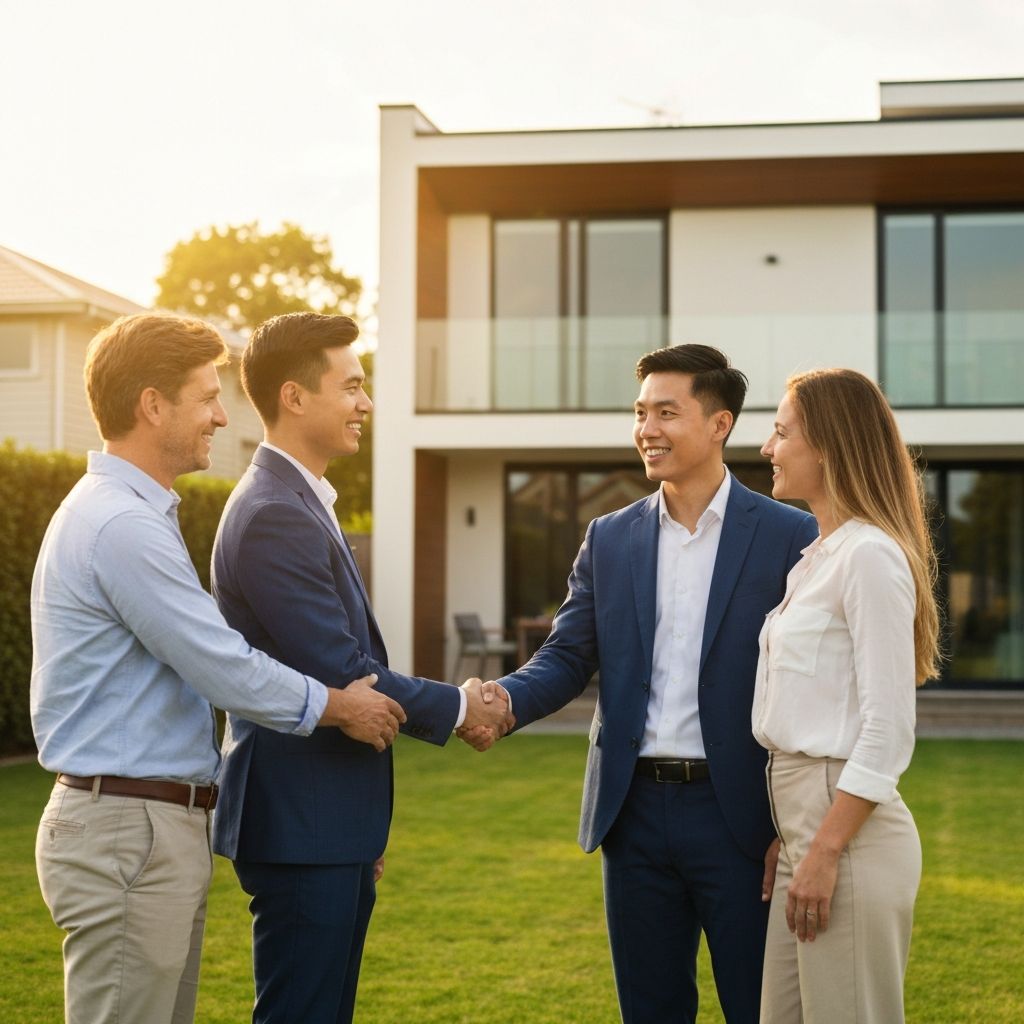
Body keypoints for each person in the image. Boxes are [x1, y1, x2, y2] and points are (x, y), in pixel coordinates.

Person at [31, 312, 407, 1024]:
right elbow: (221, 663)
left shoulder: (130, 514)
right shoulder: (121, 525)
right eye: (206, 398)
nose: (222, 415)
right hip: (127, 831)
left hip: (145, 827)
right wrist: (341, 706)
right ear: (152, 405)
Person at [464, 345, 818, 1023]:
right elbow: (568, 656)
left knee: (761, 1008)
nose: (646, 429)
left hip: (743, 818)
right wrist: (503, 703)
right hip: (632, 815)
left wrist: (795, 823)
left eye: (666, 413)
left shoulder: (789, 534)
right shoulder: (609, 537)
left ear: (719, 424)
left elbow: (813, 683)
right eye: (639, 413)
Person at [210, 311, 513, 1024]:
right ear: (293, 397)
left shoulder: (300, 501)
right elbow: (341, 668)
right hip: (301, 824)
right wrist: (463, 707)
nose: (366, 403)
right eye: (350, 386)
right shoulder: (274, 512)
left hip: (329, 823)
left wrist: (362, 829)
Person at [754, 369, 939, 1023]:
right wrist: (793, 835)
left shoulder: (869, 557)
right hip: (803, 828)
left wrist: (826, 847)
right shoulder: (817, 558)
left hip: (848, 837)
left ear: (828, 446)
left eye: (781, 433)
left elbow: (888, 730)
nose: (766, 448)